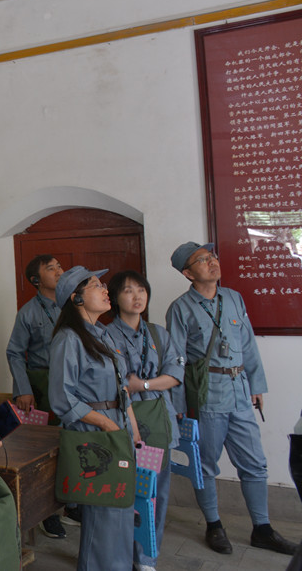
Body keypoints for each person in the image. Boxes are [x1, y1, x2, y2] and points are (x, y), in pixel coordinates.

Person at [165, 241, 298, 556]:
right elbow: (176, 359)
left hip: (239, 391)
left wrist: (256, 385)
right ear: (188, 273)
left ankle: (262, 529)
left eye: (212, 256)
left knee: (255, 464)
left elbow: (248, 343)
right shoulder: (180, 308)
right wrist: (178, 405)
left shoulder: (233, 298)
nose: (212, 261)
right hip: (207, 396)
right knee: (206, 466)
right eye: (202, 259)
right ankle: (214, 525)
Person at [48, 265, 139, 571]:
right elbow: (62, 398)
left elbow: (121, 387)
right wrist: (105, 424)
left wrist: (130, 427)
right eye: (96, 286)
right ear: (76, 298)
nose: (105, 290)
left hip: (115, 427)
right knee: (104, 512)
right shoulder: (68, 339)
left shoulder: (102, 334)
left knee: (121, 506)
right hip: (95, 433)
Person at [105, 270, 182, 571]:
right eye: (128, 291)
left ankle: (147, 557)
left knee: (155, 492)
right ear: (115, 297)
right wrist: (139, 385)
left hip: (159, 424)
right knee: (125, 490)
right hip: (125, 422)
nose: (137, 296)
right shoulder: (106, 335)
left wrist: (143, 384)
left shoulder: (158, 334)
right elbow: (114, 384)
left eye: (141, 290)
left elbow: (175, 375)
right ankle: (122, 554)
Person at [5, 253, 69, 537]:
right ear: (36, 280)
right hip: (43, 384)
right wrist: (24, 389)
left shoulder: (73, 306)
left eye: (59, 266)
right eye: (51, 268)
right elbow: (15, 353)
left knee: (72, 443)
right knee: (46, 451)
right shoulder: (28, 313)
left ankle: (71, 502)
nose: (59, 271)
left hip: (72, 382)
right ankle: (48, 513)